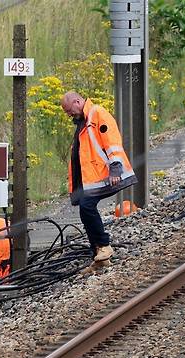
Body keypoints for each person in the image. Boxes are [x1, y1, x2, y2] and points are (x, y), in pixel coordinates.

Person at [59, 91, 137, 265]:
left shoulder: (97, 113)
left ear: (77, 101)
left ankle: (103, 245)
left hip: (104, 174)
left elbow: (112, 141)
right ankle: (99, 255)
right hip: (92, 177)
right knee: (85, 210)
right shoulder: (84, 121)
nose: (68, 114)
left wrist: (115, 169)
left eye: (69, 110)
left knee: (87, 207)